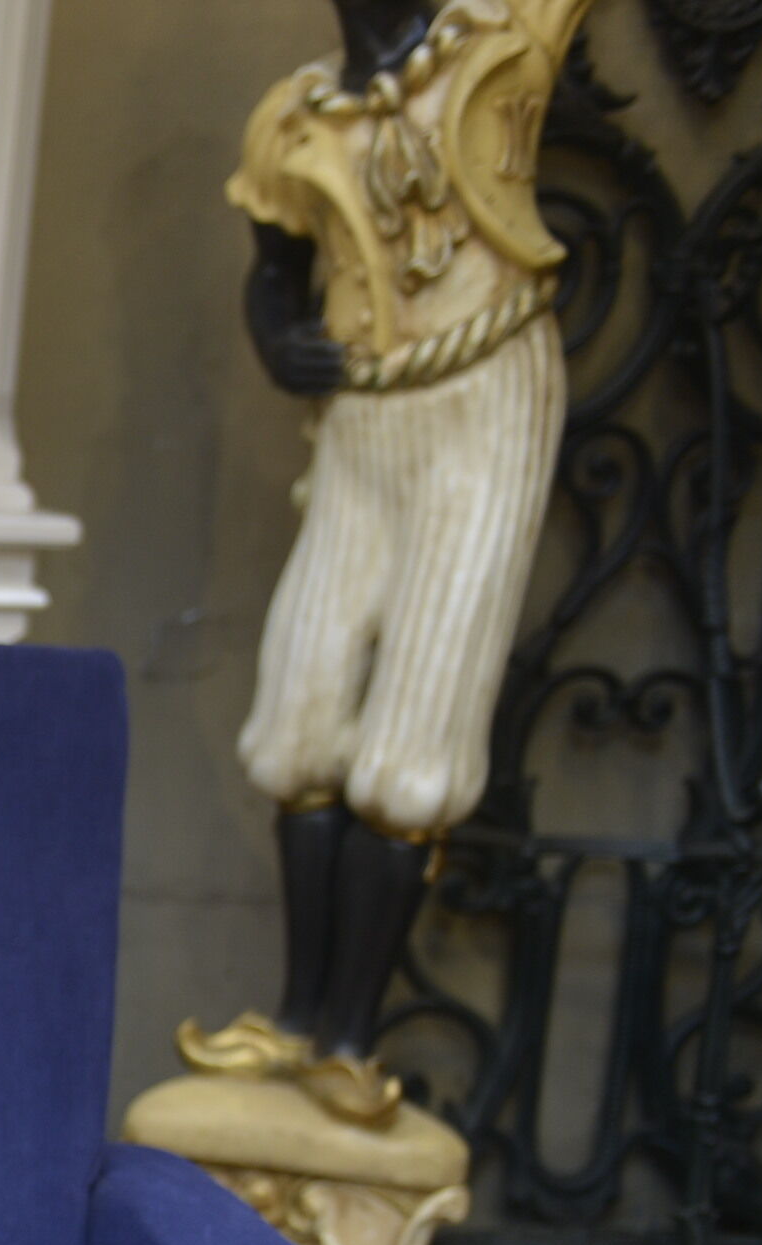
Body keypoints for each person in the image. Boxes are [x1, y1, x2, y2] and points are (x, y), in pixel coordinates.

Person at [184, 0, 592, 1124]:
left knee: (412, 743)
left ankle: (349, 1041)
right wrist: (277, 337)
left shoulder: (502, 42)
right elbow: (271, 274)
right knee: (300, 714)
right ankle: (296, 1020)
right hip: (362, 419)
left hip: (483, 400)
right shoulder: (297, 114)